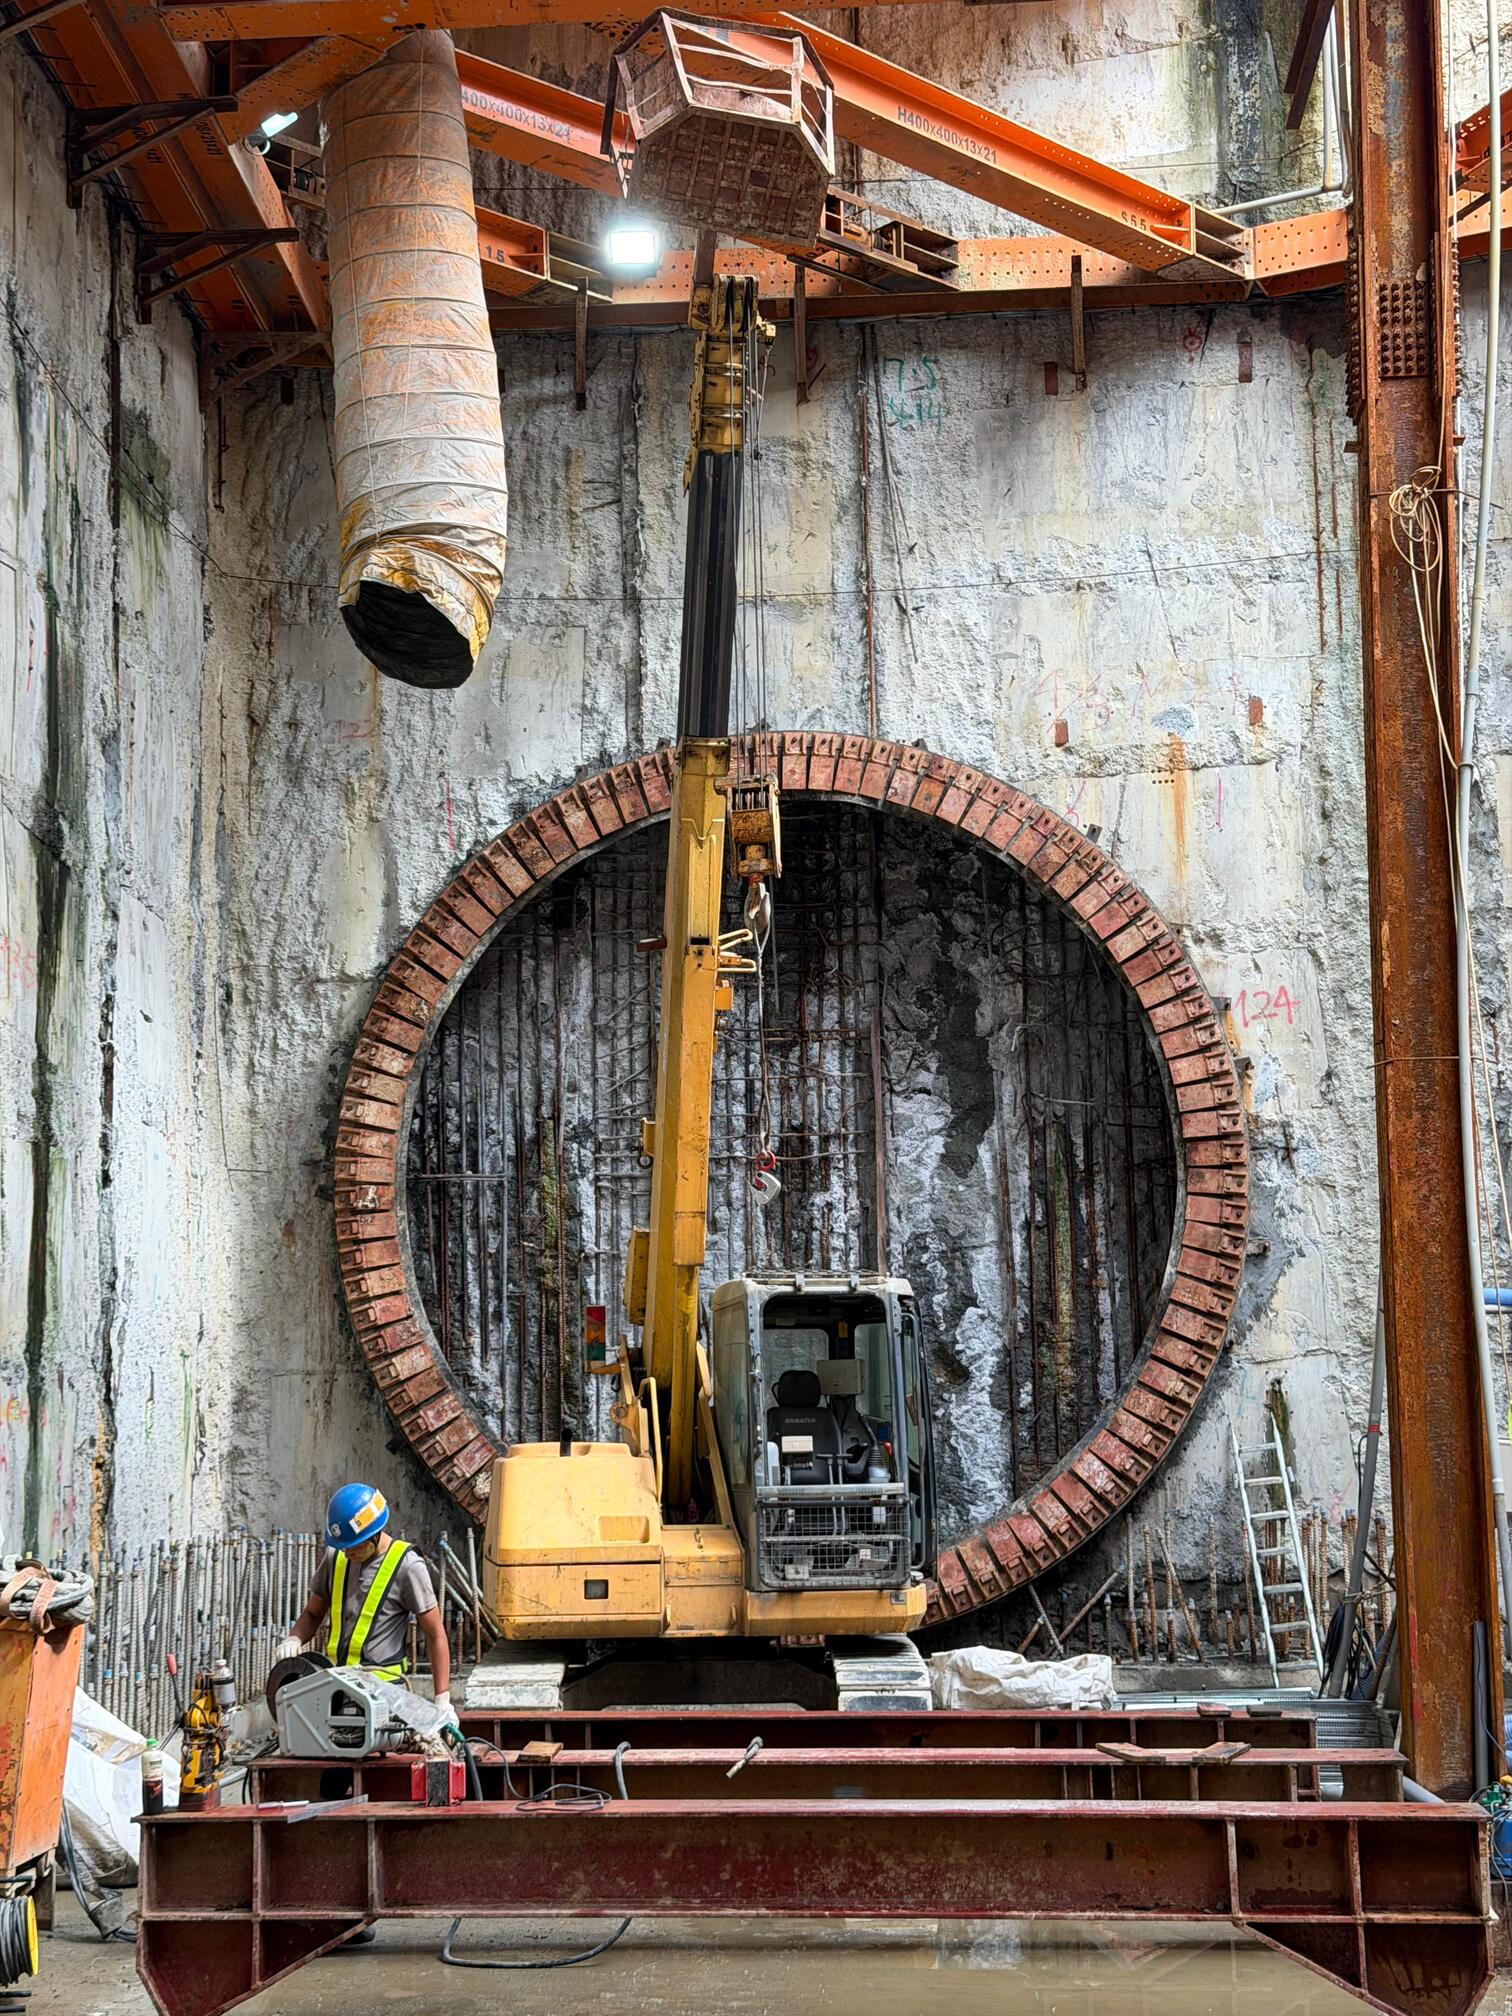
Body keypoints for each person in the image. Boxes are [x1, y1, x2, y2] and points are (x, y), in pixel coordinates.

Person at [275, 1483, 452, 1721]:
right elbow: (313, 1614)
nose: (347, 1554)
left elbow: (435, 1634)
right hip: (335, 1688)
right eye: (342, 1547)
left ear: (375, 1534)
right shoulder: (336, 1556)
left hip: (384, 1695)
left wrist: (442, 1698)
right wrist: (294, 1637)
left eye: (354, 1548)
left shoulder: (407, 1566)